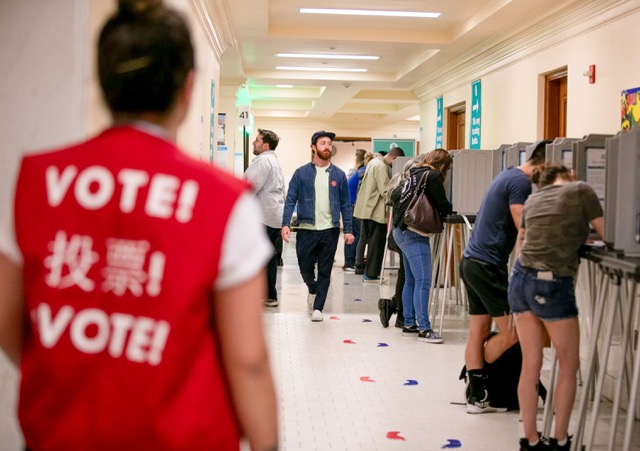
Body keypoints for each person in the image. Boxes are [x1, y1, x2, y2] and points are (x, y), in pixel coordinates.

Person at [0, 1, 278, 449]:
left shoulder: (37, 180)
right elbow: (247, 359)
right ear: (188, 88)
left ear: (104, 82)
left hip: (60, 433)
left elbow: (8, 317)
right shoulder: (223, 199)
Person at [509, 164, 603, 451]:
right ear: (571, 173)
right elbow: (609, 232)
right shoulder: (581, 189)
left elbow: (523, 240)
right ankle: (561, 440)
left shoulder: (534, 199)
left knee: (531, 364)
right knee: (568, 363)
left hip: (520, 281)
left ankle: (531, 440)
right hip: (552, 282)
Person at [460, 140, 549, 414]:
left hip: (472, 262)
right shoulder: (520, 182)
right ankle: (483, 377)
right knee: (513, 332)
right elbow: (522, 223)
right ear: (543, 165)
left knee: (479, 331)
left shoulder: (507, 174)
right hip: (487, 266)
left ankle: (477, 393)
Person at [281, 130, 354, 322]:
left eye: (329, 143)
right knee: (305, 267)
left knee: (325, 269)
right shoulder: (301, 173)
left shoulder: (338, 174)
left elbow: (346, 204)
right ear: (313, 147)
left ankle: (318, 308)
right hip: (306, 228)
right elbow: (290, 200)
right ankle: (312, 288)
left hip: (329, 230)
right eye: (322, 143)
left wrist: (348, 229)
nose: (327, 147)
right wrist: (285, 224)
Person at [390, 149, 453, 343]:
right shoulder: (431, 176)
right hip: (414, 233)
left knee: (411, 280)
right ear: (442, 165)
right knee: (424, 281)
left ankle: (409, 323)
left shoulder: (414, 173)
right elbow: (443, 205)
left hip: (400, 230)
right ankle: (424, 329)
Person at [378, 154, 426, 329]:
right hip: (404, 234)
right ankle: (398, 311)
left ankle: (395, 308)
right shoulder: (406, 189)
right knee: (407, 276)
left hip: (397, 236)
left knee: (405, 275)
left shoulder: (398, 186)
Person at [245, 128, 285, 307]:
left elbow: (249, 187)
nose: (254, 142)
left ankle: (264, 294)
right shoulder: (273, 161)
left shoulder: (263, 161)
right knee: (269, 257)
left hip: (263, 216)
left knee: (258, 257)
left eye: (257, 140)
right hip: (273, 215)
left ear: (265, 145)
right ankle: (270, 295)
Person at [354, 146, 405, 282]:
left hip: (366, 209)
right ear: (395, 158)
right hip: (375, 211)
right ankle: (371, 274)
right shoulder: (381, 167)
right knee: (377, 244)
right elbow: (386, 191)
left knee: (371, 242)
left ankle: (369, 273)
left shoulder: (373, 162)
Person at [343, 148, 368, 272]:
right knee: (356, 234)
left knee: (352, 233)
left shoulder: (357, 171)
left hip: (349, 205)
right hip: (353, 206)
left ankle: (348, 261)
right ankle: (350, 262)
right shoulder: (364, 172)